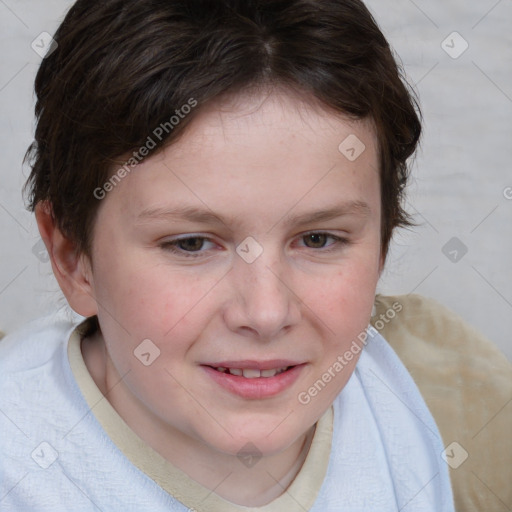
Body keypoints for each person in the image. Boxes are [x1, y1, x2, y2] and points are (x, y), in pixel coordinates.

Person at [0, 0, 456, 510]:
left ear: (382, 245)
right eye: (191, 244)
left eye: (318, 239)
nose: (266, 313)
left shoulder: (393, 408)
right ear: (72, 258)